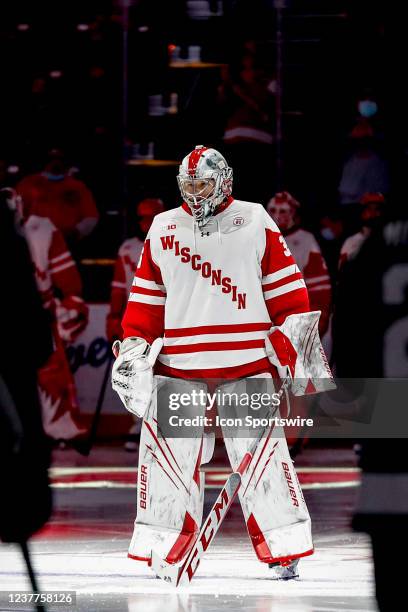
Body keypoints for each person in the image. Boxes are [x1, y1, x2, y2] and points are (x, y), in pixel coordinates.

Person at [111, 145, 332, 580]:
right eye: (188, 185)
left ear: (224, 181)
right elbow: (145, 306)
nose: (195, 194)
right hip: (177, 367)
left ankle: (283, 547)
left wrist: (297, 363)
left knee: (264, 459)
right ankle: (164, 546)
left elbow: (291, 297)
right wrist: (135, 348)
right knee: (167, 461)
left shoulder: (254, 220)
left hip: (246, 364)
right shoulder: (162, 227)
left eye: (203, 184)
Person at [2, 188, 88, 442]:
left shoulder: (43, 229)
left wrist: (64, 311)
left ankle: (49, 429)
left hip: (33, 315)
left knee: (46, 373)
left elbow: (71, 285)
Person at [107, 197, 165, 451]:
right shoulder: (128, 249)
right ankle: (137, 423)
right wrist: (112, 316)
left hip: (166, 316)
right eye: (142, 218)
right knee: (135, 370)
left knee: (165, 371)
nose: (146, 222)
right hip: (137, 319)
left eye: (151, 217)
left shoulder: (173, 242)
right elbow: (119, 287)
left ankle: (164, 423)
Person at [267, 191, 332, 336]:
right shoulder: (258, 239)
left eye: (283, 211)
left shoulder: (306, 241)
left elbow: (320, 290)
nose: (277, 215)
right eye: (272, 210)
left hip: (295, 326)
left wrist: (315, 328)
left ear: (294, 213)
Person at [16, 148, 99, 245]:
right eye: (51, 160)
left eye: (60, 160)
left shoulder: (77, 187)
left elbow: (91, 216)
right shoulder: (27, 183)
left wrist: (76, 232)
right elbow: (17, 216)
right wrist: (28, 235)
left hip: (68, 244)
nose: (55, 163)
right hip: (35, 243)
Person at [339, 192, 385, 270]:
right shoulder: (351, 241)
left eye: (377, 209)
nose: (373, 214)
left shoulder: (387, 240)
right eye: (369, 209)